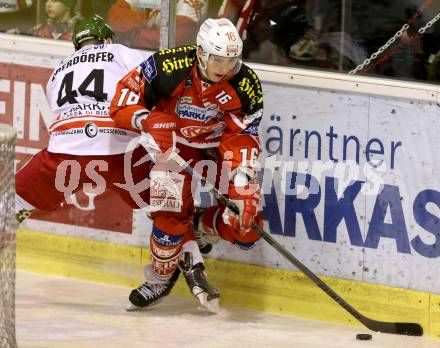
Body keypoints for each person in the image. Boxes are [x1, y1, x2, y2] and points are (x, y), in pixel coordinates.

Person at [110, 17, 264, 312]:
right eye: (217, 59)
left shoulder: (245, 83)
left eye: (231, 60)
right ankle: (159, 278)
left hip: (217, 152)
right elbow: (120, 101)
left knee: (248, 224)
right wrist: (147, 121)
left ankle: (201, 228)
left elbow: (243, 135)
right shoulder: (168, 65)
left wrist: (242, 182)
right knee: (167, 221)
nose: (224, 67)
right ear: (202, 53)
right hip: (172, 150)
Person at [107, 0, 208, 50]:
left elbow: (177, 35)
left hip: (174, 60)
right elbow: (115, 17)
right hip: (136, 54)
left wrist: (132, 33)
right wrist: (147, 19)